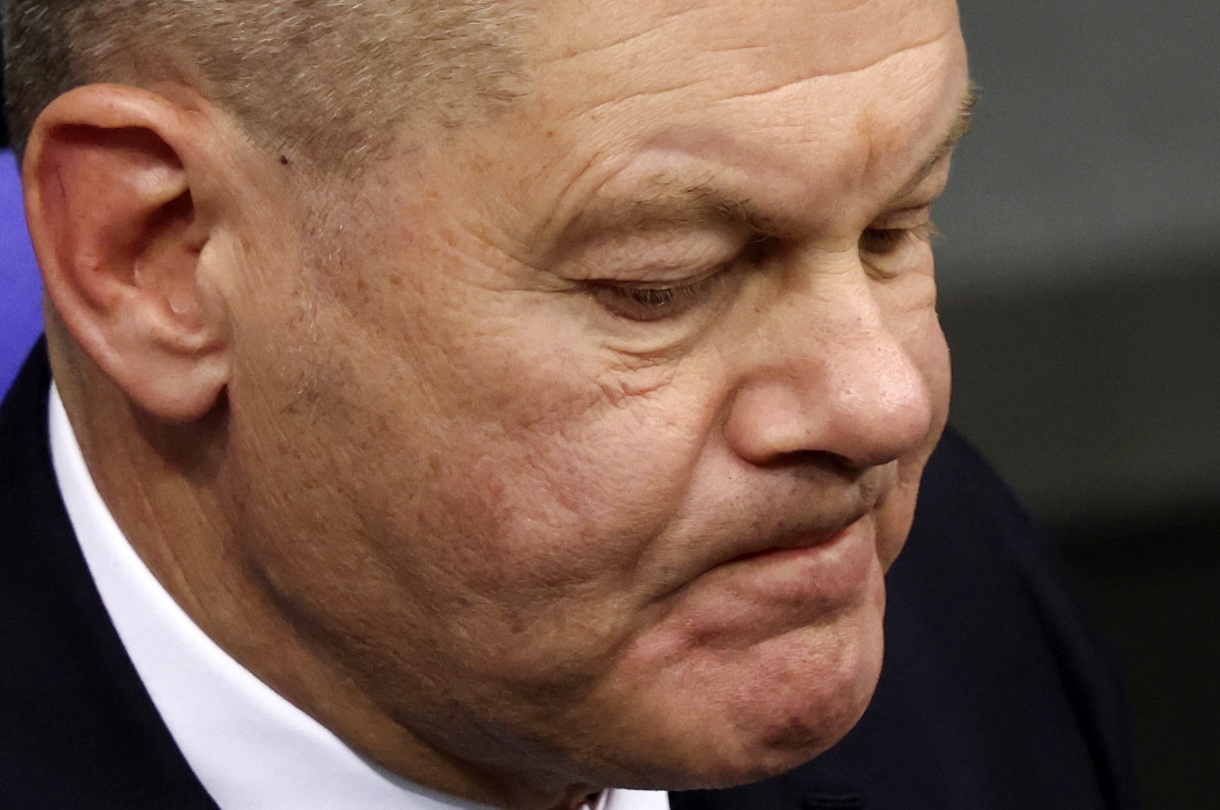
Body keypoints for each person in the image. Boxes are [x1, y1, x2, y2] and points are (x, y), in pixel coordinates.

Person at [0, 0, 1141, 808]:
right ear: (157, 257)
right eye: (663, 280)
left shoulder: (959, 621)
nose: (882, 405)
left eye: (895, 226)